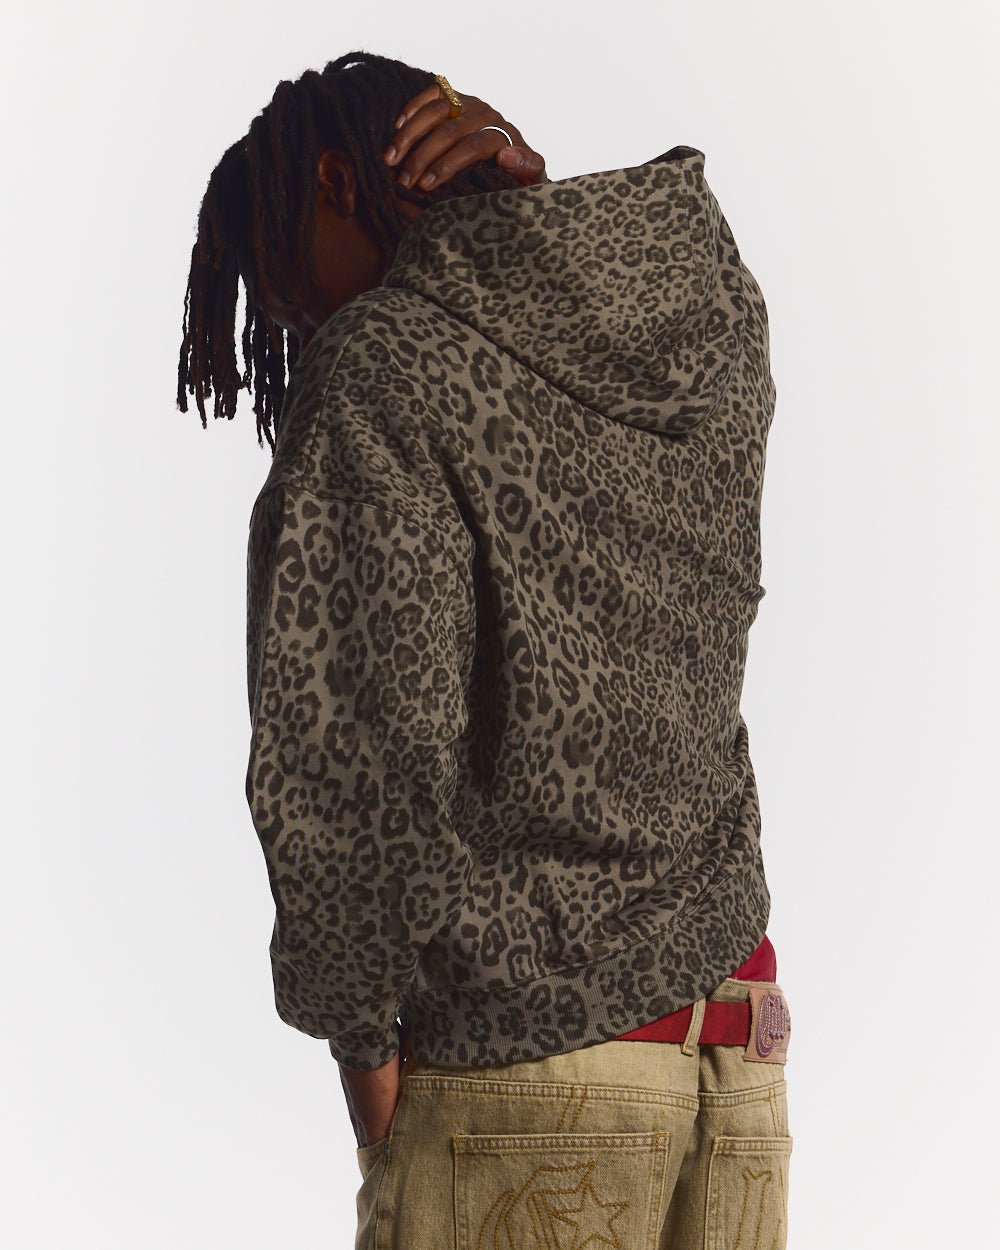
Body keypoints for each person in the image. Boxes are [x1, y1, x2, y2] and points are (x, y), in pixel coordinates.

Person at [177, 50, 792, 1250]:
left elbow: (357, 749)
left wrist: (363, 1049)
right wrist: (530, 227)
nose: (291, 317)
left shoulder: (382, 365)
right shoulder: (695, 316)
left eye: (279, 270)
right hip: (738, 1064)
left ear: (340, 182)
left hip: (522, 1084)